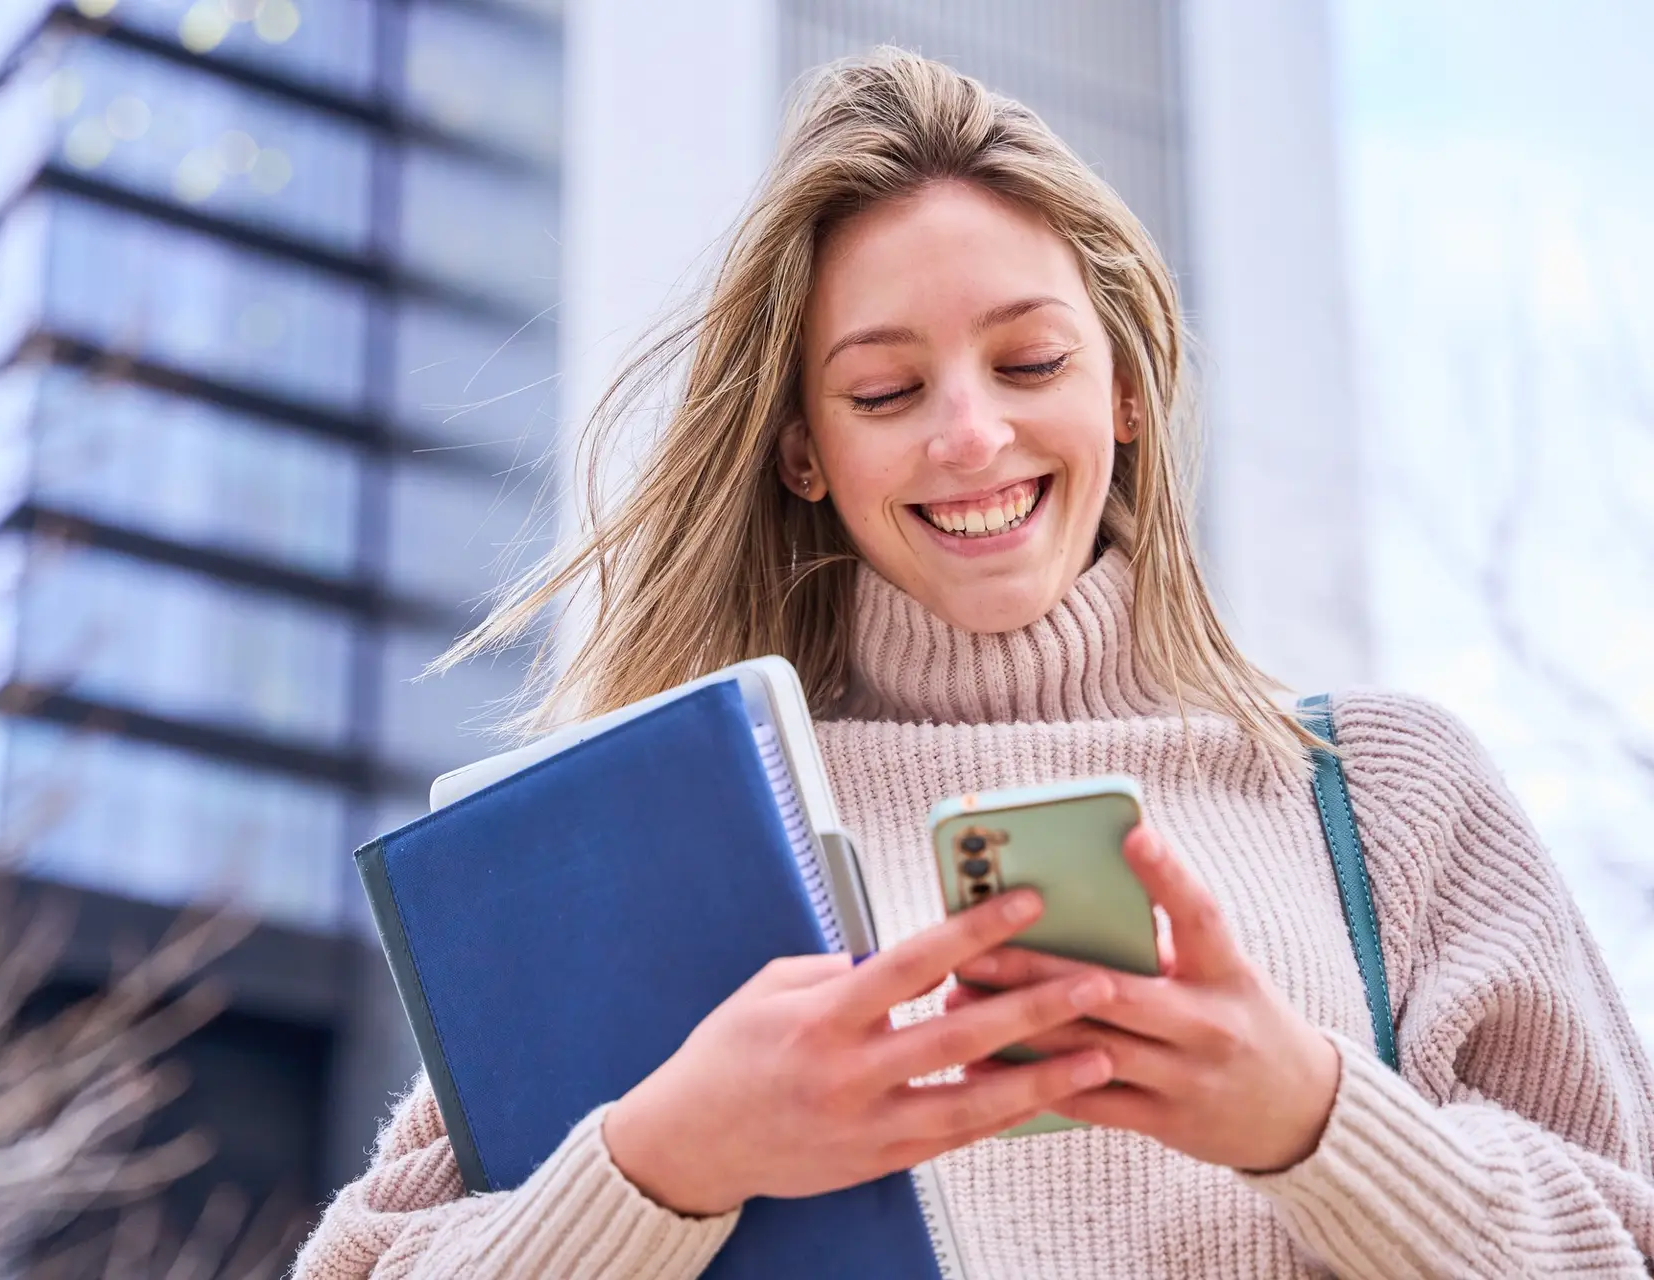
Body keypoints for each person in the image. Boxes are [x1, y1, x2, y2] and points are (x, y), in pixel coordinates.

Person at [294, 49, 1654, 1279]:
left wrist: (1314, 1119)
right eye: (887, 391)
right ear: (804, 454)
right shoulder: (667, 840)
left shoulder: (1382, 794)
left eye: (1031, 361)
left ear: (1123, 387)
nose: (969, 436)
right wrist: (665, 1163)